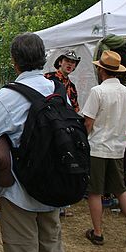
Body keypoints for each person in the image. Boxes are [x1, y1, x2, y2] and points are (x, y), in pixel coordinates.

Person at [0, 32, 64, 252]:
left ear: (14, 61)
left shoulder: (7, 97)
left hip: (18, 190)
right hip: (53, 184)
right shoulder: (58, 91)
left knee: (22, 249)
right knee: (51, 247)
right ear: (43, 58)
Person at [81, 50, 126, 247]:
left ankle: (98, 233)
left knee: (95, 191)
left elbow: (88, 123)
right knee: (121, 189)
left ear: (101, 70)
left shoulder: (97, 92)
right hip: (118, 147)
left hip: (97, 147)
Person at [45, 49, 80, 217]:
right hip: (49, 128)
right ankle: (50, 201)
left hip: (66, 130)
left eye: (73, 62)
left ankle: (62, 204)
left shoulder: (71, 87)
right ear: (60, 62)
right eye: (67, 61)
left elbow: (75, 108)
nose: (70, 64)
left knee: (65, 164)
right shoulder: (48, 79)